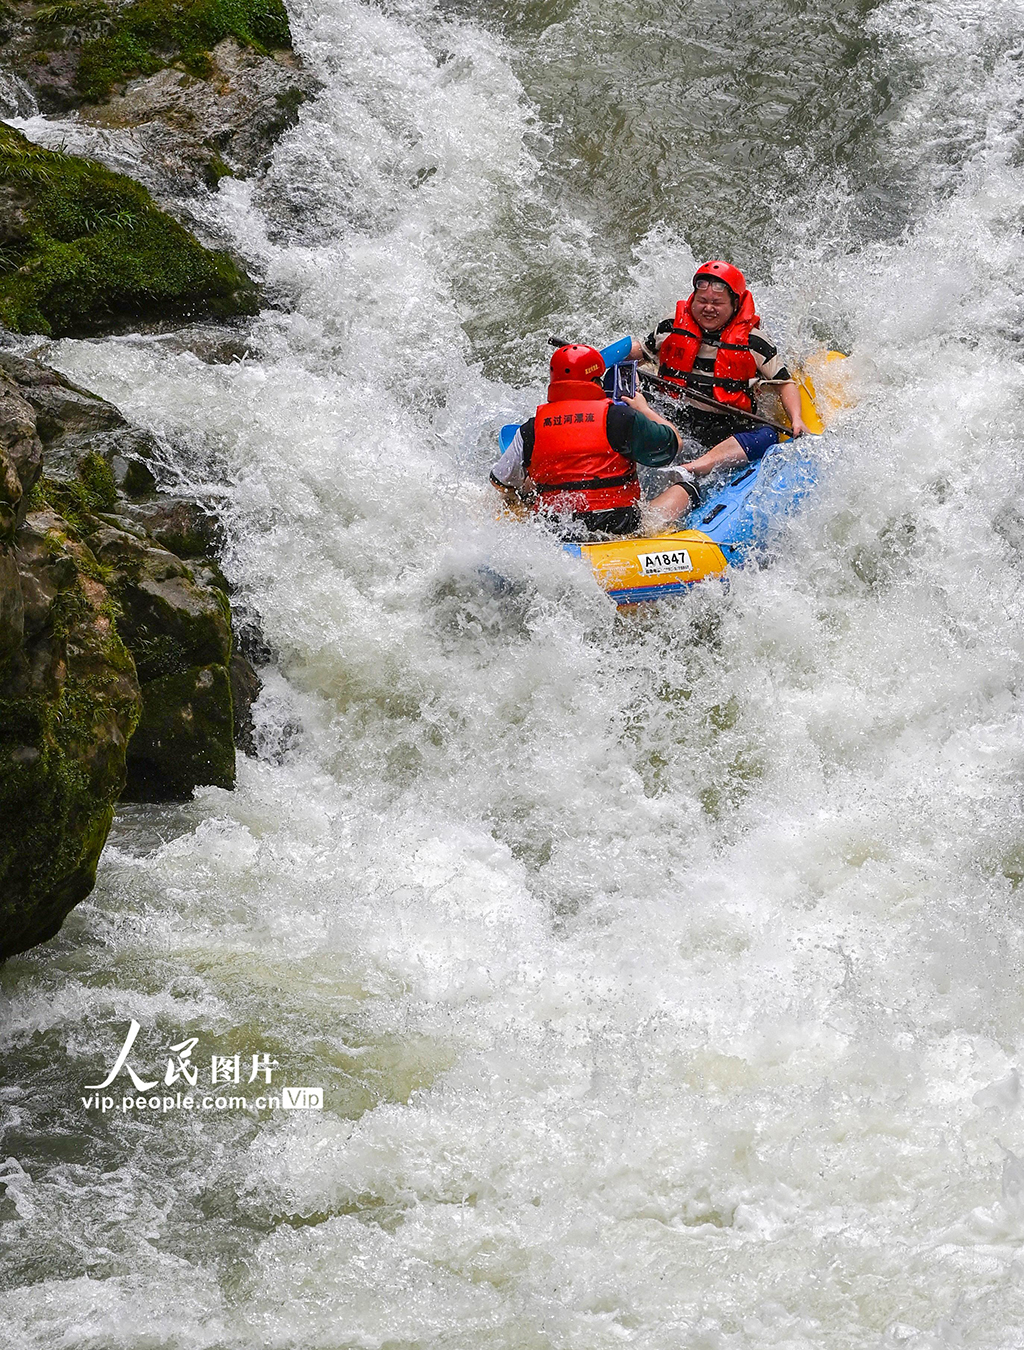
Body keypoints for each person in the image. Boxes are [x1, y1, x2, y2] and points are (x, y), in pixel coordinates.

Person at [629, 260, 805, 526]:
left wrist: (797, 419)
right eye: (702, 300)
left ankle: (697, 466)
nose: (708, 308)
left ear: (734, 304)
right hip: (678, 417)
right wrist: (598, 360)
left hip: (726, 426)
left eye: (717, 303)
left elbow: (784, 383)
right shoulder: (669, 330)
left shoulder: (754, 342)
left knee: (768, 435)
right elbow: (639, 352)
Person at [490, 343, 690, 539]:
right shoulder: (621, 417)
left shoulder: (530, 429)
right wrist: (644, 409)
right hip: (620, 528)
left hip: (555, 531)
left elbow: (500, 482)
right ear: (596, 381)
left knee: (521, 495)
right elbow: (674, 446)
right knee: (687, 488)